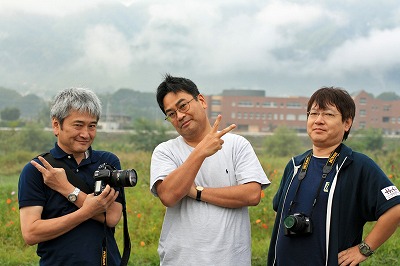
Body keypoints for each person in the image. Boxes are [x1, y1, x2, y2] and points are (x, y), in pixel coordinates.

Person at [267, 87, 400, 266]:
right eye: (313, 113)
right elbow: (280, 213)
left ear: (347, 123)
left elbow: (395, 208)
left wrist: (364, 249)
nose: (318, 120)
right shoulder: (294, 165)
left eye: (328, 115)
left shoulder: (357, 165)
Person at [150, 74, 270, 265]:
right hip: (182, 260)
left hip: (230, 259)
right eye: (171, 114)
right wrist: (200, 152)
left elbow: (251, 195)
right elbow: (168, 196)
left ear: (202, 101)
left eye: (183, 106)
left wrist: (195, 191)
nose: (180, 116)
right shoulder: (165, 151)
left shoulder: (237, 144)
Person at [18, 88, 125, 265]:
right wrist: (87, 211)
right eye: (78, 125)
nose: (86, 134)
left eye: (92, 126)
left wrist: (66, 188)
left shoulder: (107, 162)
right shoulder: (36, 170)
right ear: (56, 125)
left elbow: (112, 217)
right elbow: (31, 233)